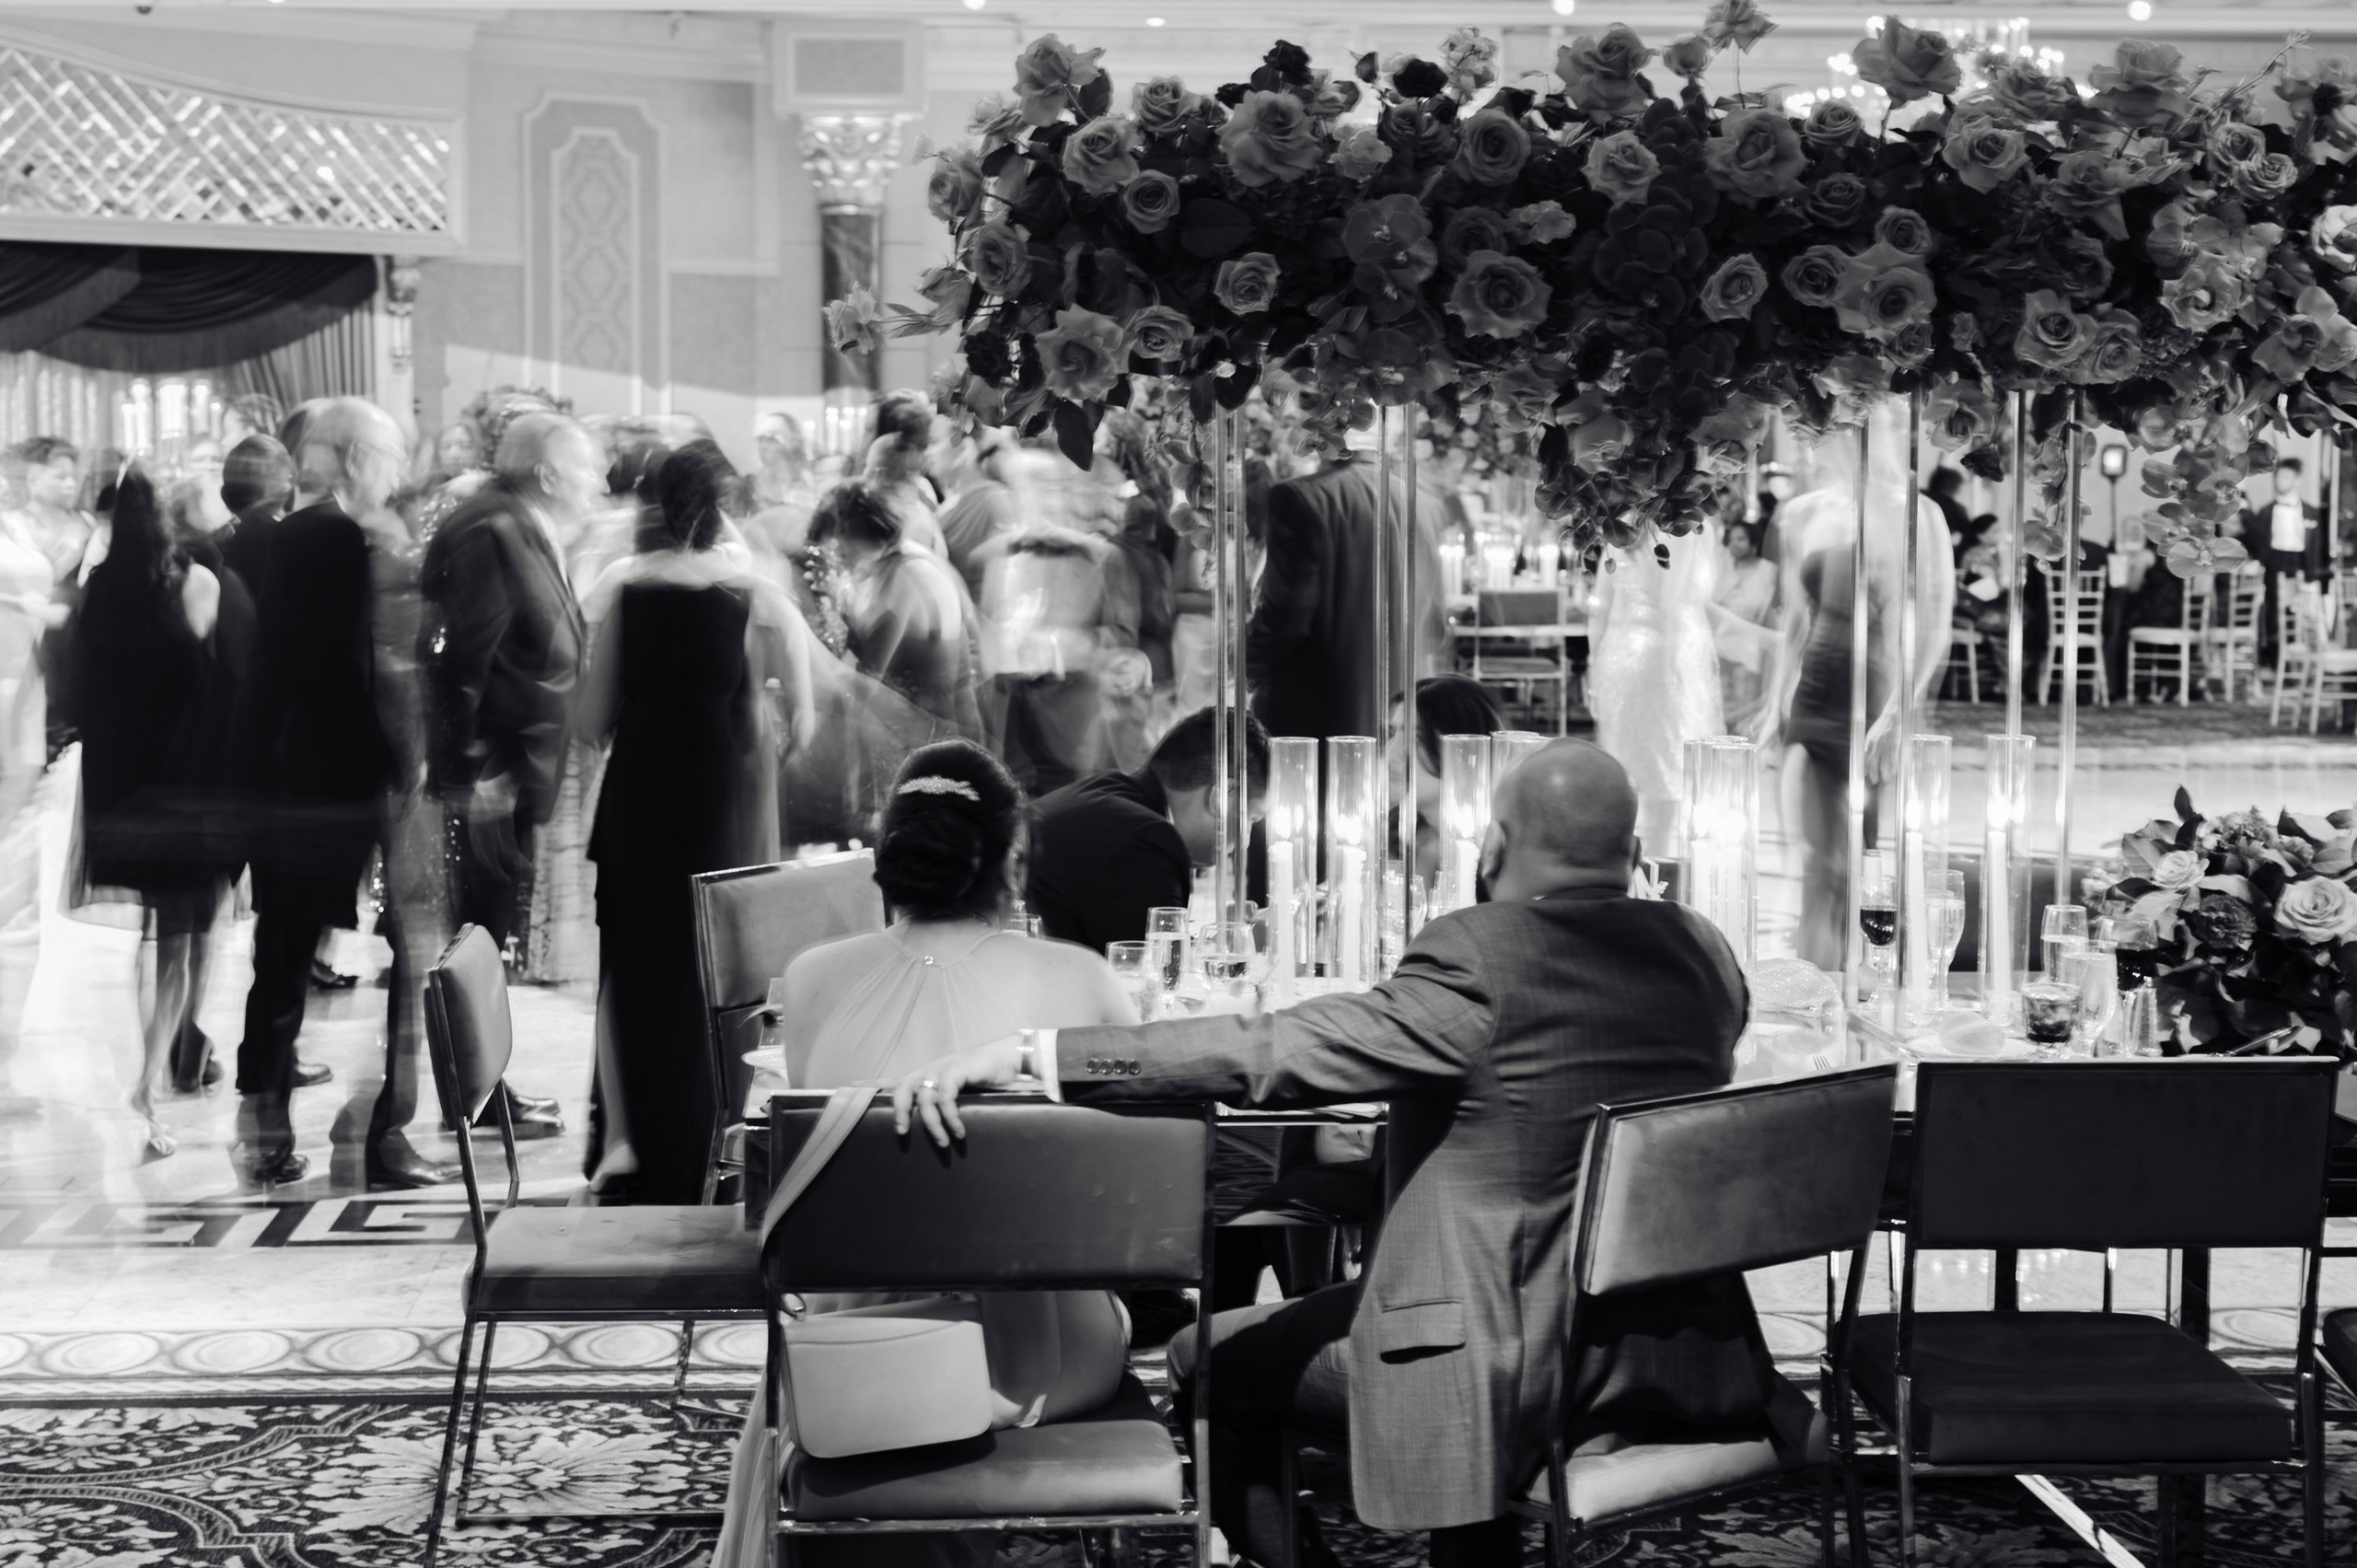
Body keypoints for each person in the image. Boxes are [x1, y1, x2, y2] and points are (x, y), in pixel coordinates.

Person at [892, 741, 1785, 1568]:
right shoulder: (1702, 950)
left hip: (1501, 1369)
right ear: (1634, 851)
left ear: (1494, 843)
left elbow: (1273, 1049)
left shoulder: (1481, 955)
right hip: (1670, 1350)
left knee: (1206, 1356)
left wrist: (1039, 1053)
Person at [707, 738, 1138, 1568]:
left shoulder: (812, 978)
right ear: (1011, 858)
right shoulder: (1082, 977)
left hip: (866, 1351)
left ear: (891, 859)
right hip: (1051, 1358)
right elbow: (1124, 1181)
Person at [578, 440, 808, 1203]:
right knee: (728, 973)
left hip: (641, 808)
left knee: (634, 973)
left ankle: (628, 1146)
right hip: (724, 809)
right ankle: (718, 1143)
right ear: (727, 507)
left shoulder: (627, 591)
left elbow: (589, 720)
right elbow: (803, 722)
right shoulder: (757, 595)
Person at [230, 399, 404, 1187]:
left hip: (296, 770)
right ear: (358, 457)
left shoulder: (309, 529)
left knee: (286, 951)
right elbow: (336, 670)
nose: (397, 474)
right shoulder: (329, 534)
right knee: (288, 950)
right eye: (390, 457)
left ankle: (268, 1111)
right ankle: (268, 1123)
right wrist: (394, 759)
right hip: (313, 777)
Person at [72, 470, 234, 1159]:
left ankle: (159, 1072)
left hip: (119, 783)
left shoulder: (98, 591)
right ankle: (162, 1068)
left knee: (154, 939)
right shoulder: (195, 584)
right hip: (188, 781)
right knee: (190, 934)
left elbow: (81, 685)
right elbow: (220, 678)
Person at [1770, 408, 1954, 970]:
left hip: (1872, 701)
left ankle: (1849, 983)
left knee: (1854, 859)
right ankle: (1812, 986)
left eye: (1819, 429)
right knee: (1813, 859)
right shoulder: (1803, 512)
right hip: (1809, 699)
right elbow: (1793, 618)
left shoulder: (1916, 514)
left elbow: (1932, 623)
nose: (1808, 440)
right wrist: (1774, 701)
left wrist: (1899, 713)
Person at [1027, 706, 1270, 955]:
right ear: (1222, 796)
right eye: (1252, 819)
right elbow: (1156, 970)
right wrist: (1244, 944)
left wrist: (1215, 940)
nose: (1245, 842)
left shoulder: (1109, 793)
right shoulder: (1147, 841)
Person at [1248, 436, 1444, 741]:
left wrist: (1244, 661)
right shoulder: (1420, 501)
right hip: (1398, 711)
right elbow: (1436, 622)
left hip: (1313, 711)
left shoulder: (1298, 496)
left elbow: (1287, 615)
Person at [812, 479, 981, 740]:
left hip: (931, 740)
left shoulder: (901, 581)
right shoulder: (908, 559)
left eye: (838, 546)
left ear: (853, 532)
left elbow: (865, 684)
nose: (838, 556)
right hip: (948, 728)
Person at [1589, 527, 1723, 850]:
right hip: (1668, 662)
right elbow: (1676, 602)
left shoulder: (1619, 526)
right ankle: (1655, 863)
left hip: (1621, 659)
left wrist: (1595, 672)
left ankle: (1625, 861)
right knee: (1667, 779)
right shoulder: (1688, 528)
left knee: (1630, 776)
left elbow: (1599, 606)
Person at [1396, 676, 1505, 874]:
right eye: (1391, 734)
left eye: (1417, 739)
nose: (1390, 754)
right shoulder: (1392, 840)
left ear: (1467, 751)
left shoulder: (1499, 855)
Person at [2239, 456, 2327, 668]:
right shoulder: (2266, 512)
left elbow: (2316, 547)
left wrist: (2313, 578)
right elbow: (2256, 543)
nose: (2280, 482)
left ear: (2297, 480)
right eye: (2278, 477)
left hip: (2300, 565)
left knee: (2299, 615)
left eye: (2286, 477)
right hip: (2274, 563)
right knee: (2274, 613)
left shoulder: (2311, 512)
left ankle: (2300, 665)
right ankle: (2276, 661)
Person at [1710, 517, 1782, 735]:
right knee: (1718, 703)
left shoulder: (1768, 571)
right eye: (1732, 539)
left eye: (1741, 539)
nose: (1734, 544)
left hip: (1751, 647)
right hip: (1718, 645)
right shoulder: (1722, 567)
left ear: (1753, 543)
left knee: (1745, 706)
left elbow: (1771, 611)